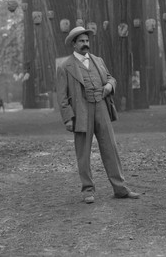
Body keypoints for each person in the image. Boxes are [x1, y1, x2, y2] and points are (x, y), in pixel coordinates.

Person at [56, 26, 140, 204]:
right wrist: (68, 118)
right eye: (81, 41)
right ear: (74, 44)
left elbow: (110, 78)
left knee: (111, 148)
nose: (85, 44)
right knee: (83, 153)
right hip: (81, 111)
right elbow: (62, 97)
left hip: (101, 107)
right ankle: (88, 191)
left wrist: (109, 86)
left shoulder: (98, 60)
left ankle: (120, 188)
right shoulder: (65, 66)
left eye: (87, 41)